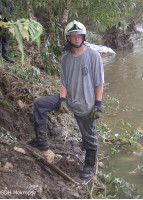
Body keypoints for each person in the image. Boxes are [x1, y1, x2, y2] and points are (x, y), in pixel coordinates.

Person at [28, 20, 104, 180]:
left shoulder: (93, 56)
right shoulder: (66, 59)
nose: (76, 39)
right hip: (68, 99)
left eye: (79, 36)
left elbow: (99, 83)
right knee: (39, 104)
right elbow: (64, 82)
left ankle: (89, 165)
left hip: (86, 104)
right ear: (68, 38)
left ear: (84, 36)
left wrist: (98, 105)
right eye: (73, 36)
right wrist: (62, 99)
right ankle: (41, 141)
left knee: (89, 137)